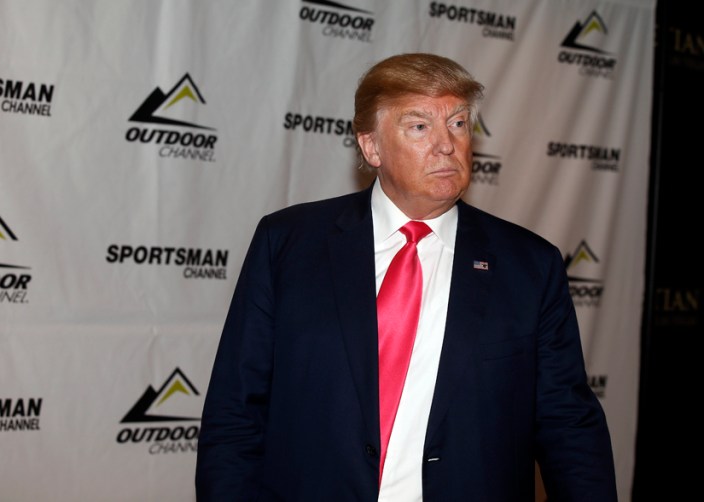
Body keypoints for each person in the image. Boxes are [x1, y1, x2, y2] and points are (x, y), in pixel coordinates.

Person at [195, 53, 617, 501]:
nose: (446, 145)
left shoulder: (530, 265)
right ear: (371, 146)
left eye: (457, 123)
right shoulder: (288, 245)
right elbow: (235, 414)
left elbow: (568, 425)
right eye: (419, 127)